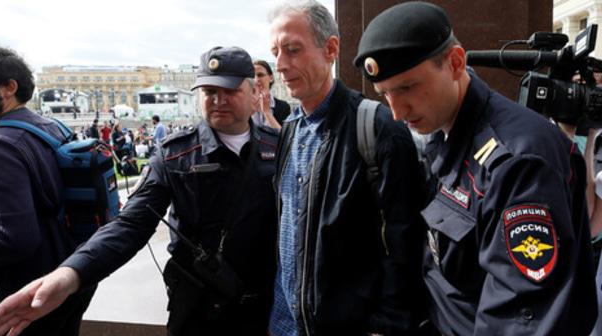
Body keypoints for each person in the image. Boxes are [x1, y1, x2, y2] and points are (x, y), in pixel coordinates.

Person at [0, 46, 279, 336]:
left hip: (267, 304)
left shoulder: (281, 146)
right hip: (198, 309)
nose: (218, 100)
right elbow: (131, 224)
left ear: (255, 94)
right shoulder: (175, 153)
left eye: (230, 91)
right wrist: (69, 275)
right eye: (210, 92)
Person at [353, 2, 598, 335]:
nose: (396, 111)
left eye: (407, 88)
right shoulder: (446, 132)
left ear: (455, 63)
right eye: (385, 95)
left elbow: (519, 321)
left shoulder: (518, 161)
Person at [267, 1, 427, 335]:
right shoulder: (290, 130)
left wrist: (388, 324)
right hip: (284, 324)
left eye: (293, 50)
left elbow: (405, 243)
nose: (280, 65)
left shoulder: (376, 126)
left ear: (331, 49)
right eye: (275, 52)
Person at [0, 45, 95, 335]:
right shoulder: (51, 126)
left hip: (28, 293)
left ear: (8, 87)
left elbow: (12, 239)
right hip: (69, 275)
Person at [252, 59, 291, 129]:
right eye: (252, 76)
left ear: (271, 78)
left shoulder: (283, 107)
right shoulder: (244, 106)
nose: (256, 79)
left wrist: (267, 113)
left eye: (260, 75)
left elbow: (286, 138)